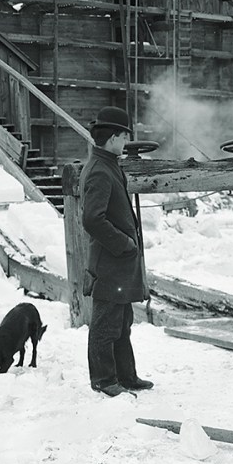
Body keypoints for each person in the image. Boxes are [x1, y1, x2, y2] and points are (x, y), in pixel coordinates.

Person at [80, 106, 154, 396]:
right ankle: (104, 380)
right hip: (110, 262)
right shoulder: (99, 170)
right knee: (105, 324)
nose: (126, 143)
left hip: (118, 263)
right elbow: (92, 219)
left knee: (122, 323)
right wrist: (124, 244)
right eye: (124, 137)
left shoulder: (108, 164)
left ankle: (126, 376)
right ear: (112, 138)